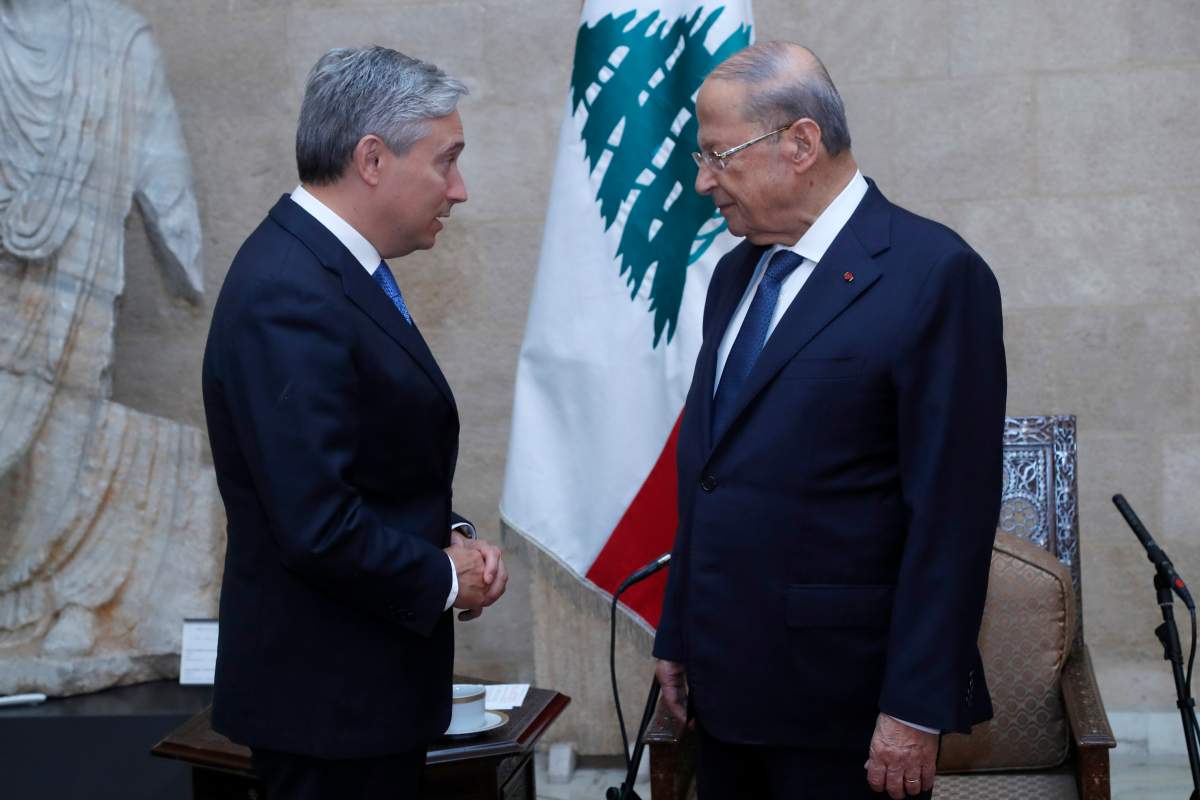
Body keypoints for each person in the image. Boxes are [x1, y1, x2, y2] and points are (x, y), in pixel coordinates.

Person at [653, 42, 1006, 800]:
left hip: (844, 706)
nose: (702, 179)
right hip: (723, 689)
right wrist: (678, 633)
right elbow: (712, 470)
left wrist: (913, 708)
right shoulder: (735, 272)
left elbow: (952, 514)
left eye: (718, 155)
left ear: (800, 144)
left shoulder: (934, 275)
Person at [201, 46, 507, 799]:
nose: (459, 189)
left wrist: (452, 533)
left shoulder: (337, 267)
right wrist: (442, 577)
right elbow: (316, 522)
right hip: (327, 707)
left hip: (361, 695)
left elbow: (371, 457)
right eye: (446, 161)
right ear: (373, 158)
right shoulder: (291, 292)